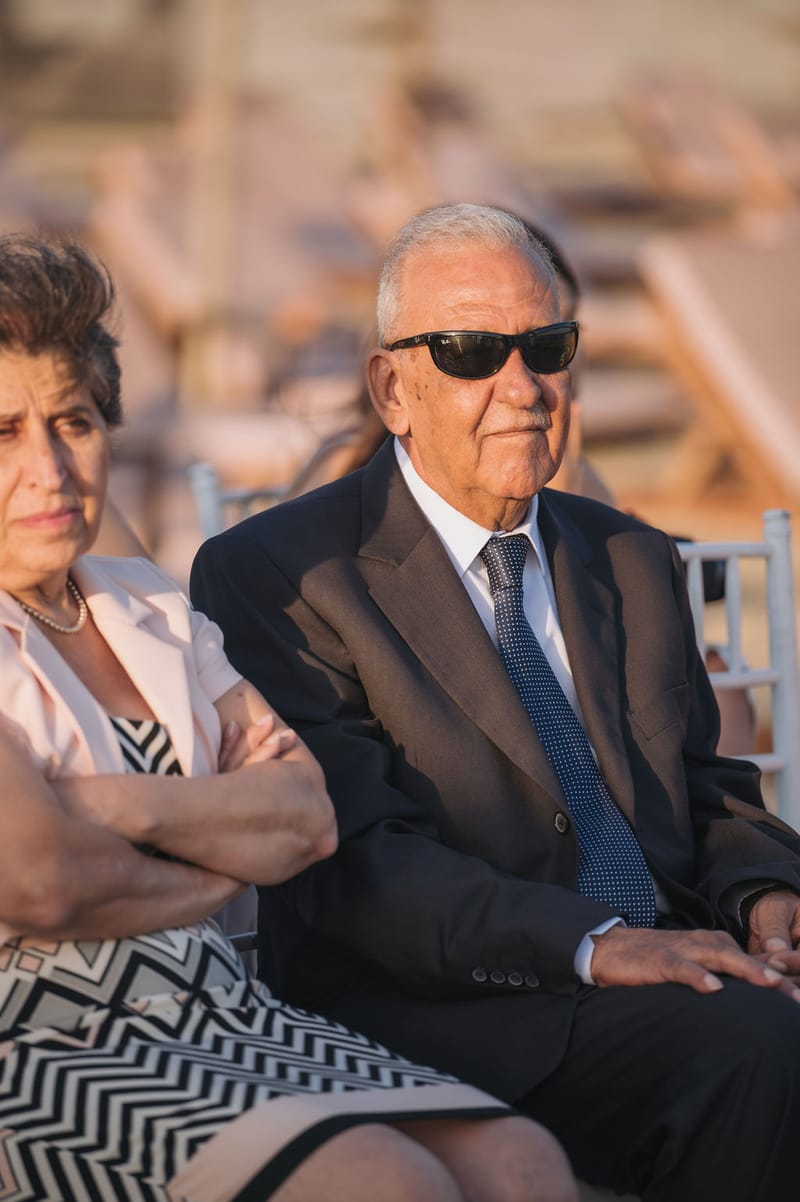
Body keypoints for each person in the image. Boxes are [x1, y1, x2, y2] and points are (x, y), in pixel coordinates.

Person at [192, 203, 800, 1202]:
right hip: (448, 1004)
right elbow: (357, 865)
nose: (520, 386)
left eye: (544, 346)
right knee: (759, 1048)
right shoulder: (285, 574)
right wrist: (599, 946)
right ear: (391, 385)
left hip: (680, 969)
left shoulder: (629, 556)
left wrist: (764, 896)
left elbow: (705, 787)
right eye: (472, 351)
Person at [0, 234, 579, 1202]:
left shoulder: (140, 602)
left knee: (522, 1162)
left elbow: (303, 818)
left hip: (219, 1007)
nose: (51, 468)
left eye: (76, 420)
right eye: (1, 433)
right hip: (39, 1040)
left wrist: (93, 802)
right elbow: (43, 882)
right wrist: (219, 848)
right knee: (380, 1180)